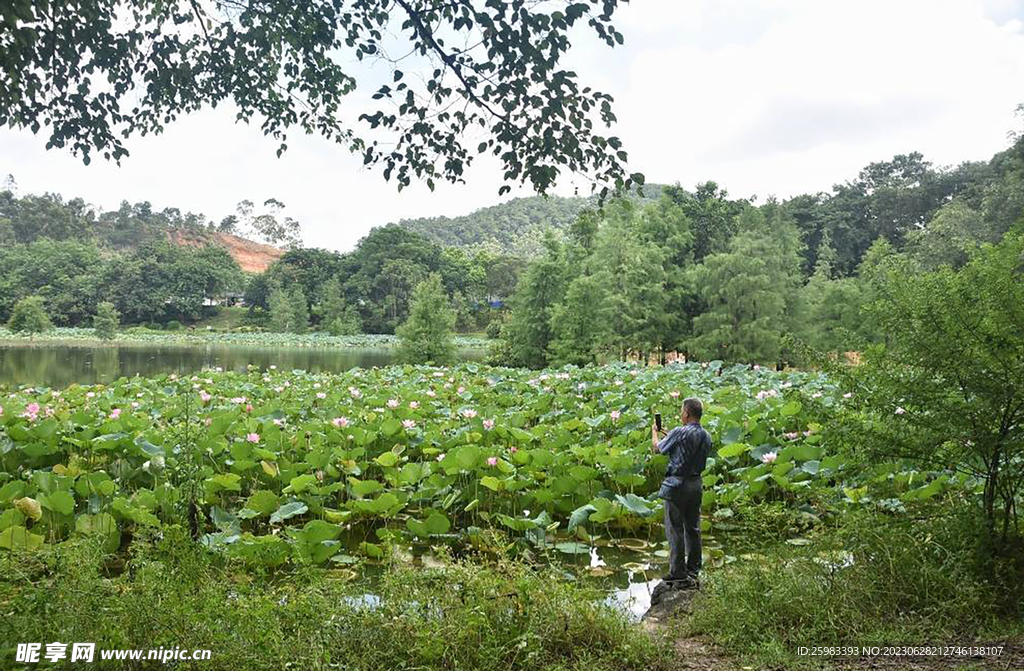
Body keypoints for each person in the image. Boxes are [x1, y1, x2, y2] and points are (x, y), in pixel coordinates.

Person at [650, 397, 712, 601]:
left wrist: (654, 433)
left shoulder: (679, 431)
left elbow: (657, 449)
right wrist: (671, 435)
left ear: (686, 413)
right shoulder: (706, 435)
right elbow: (688, 451)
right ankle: (693, 570)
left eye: (681, 411)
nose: (680, 414)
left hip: (676, 485)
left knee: (674, 528)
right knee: (693, 528)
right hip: (696, 485)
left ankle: (677, 572)